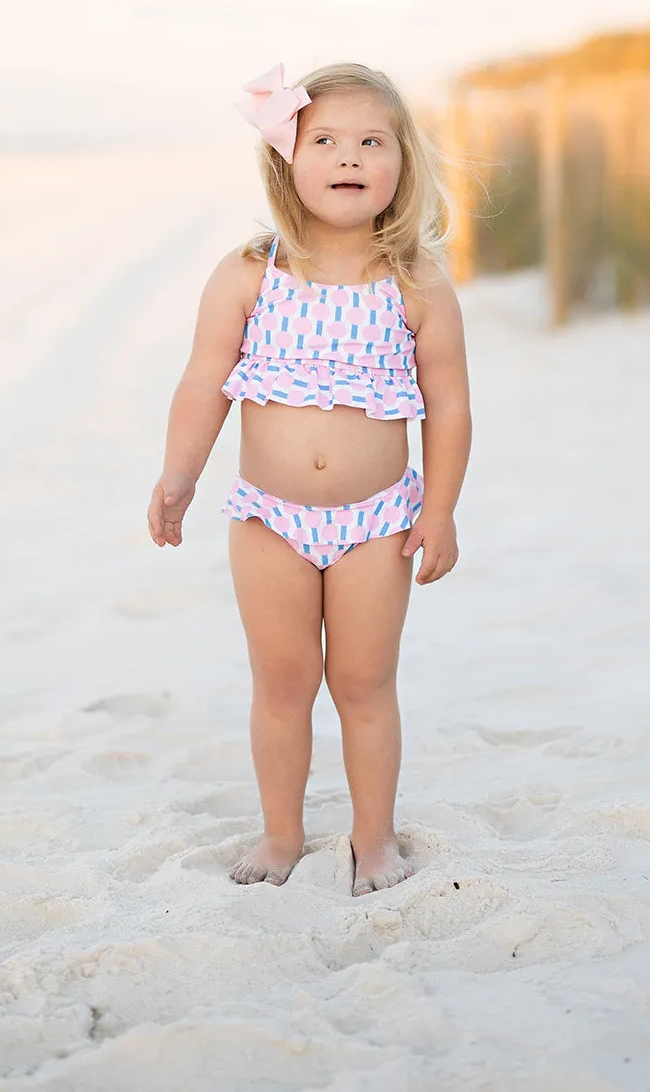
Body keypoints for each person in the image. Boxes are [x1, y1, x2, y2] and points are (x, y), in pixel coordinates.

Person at [147, 61, 472, 896]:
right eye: (324, 140)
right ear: (288, 157)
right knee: (283, 683)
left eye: (372, 140)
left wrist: (440, 510)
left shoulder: (417, 282)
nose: (349, 156)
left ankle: (374, 837)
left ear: (403, 163)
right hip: (269, 519)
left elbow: (450, 408)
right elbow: (202, 382)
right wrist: (180, 474)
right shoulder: (251, 273)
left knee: (364, 682)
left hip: (377, 521)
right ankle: (282, 833)